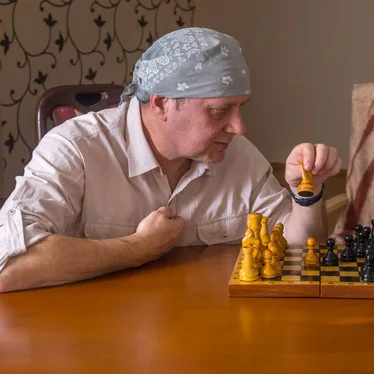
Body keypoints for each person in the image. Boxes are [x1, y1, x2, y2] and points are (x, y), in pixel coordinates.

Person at [0, 27, 342, 293]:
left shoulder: (239, 154)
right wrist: (137, 248)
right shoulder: (74, 148)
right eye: (221, 110)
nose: (239, 127)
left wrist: (304, 194)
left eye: (241, 108)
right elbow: (7, 267)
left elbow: (298, 252)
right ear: (162, 103)